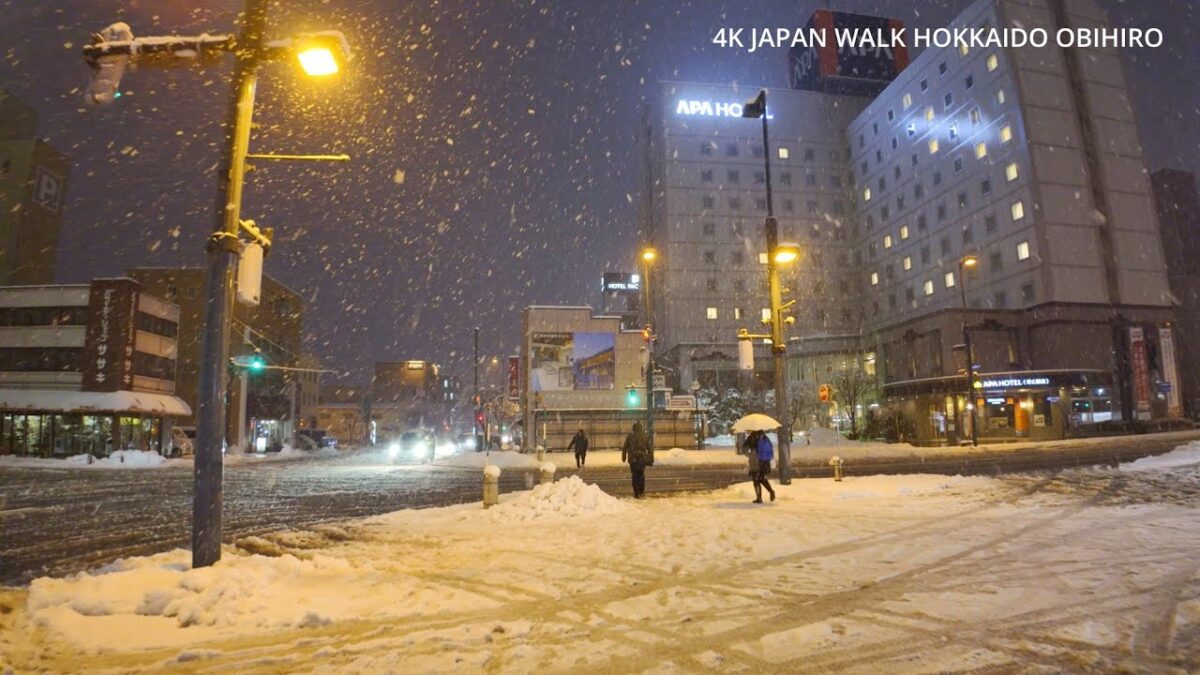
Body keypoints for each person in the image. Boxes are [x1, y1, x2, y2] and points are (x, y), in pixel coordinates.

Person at [620, 421, 653, 498]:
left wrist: (623, 457)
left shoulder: (630, 436)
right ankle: (641, 491)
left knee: (634, 474)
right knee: (641, 474)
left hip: (633, 458)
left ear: (633, 428)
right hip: (642, 458)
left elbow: (625, 447)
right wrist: (651, 458)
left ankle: (636, 492)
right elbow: (649, 448)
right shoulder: (645, 436)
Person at [743, 429, 776, 503]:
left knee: (756, 479)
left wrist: (749, 454)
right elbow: (770, 448)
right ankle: (771, 491)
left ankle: (759, 498)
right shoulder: (764, 437)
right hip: (764, 461)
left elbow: (744, 448)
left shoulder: (751, 437)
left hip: (755, 460)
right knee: (762, 478)